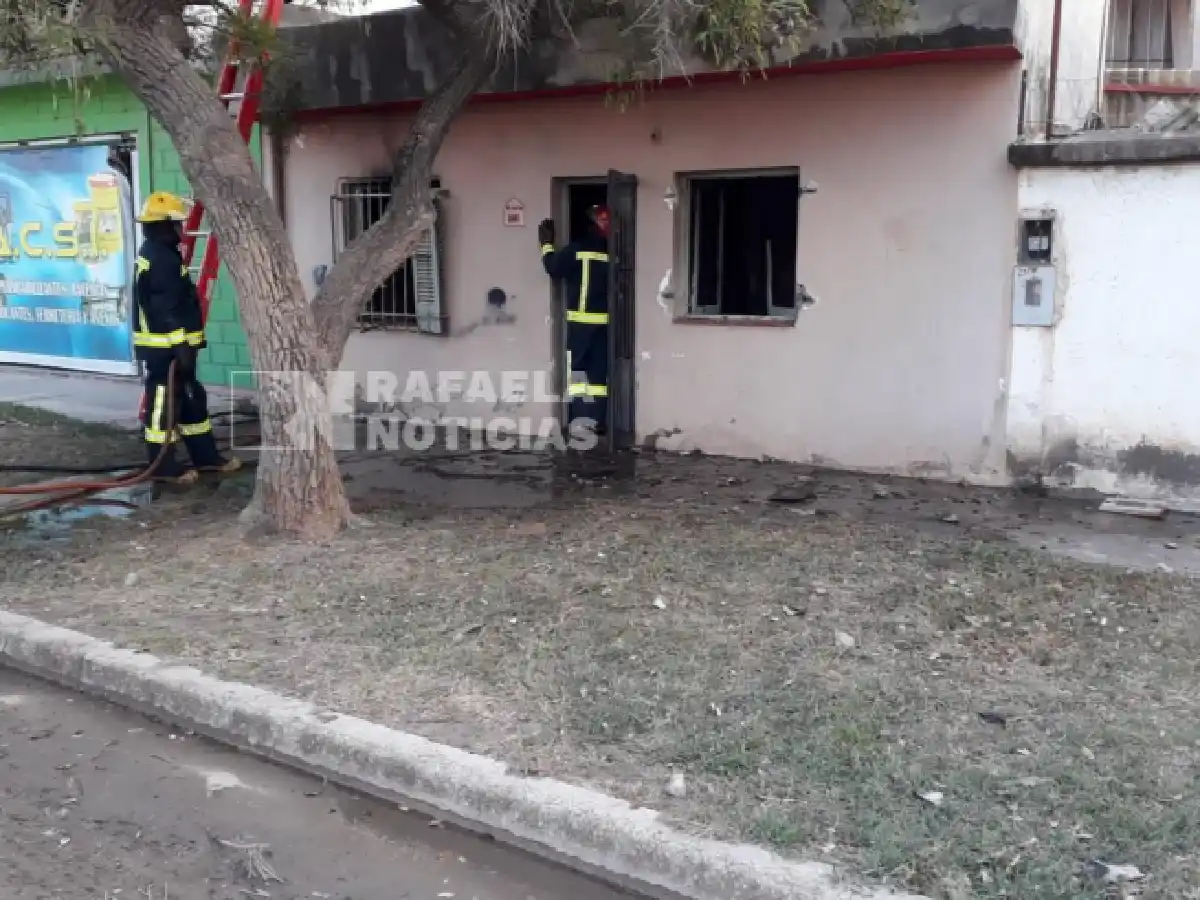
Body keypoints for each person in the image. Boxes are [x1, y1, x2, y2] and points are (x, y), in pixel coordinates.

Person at [133, 191, 241, 485]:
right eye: (178, 224)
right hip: (165, 350)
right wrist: (180, 344)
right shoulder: (160, 259)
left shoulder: (162, 253)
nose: (183, 229)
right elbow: (163, 308)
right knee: (163, 406)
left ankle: (205, 458)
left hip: (176, 348)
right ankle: (163, 467)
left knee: (192, 399)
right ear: (164, 225)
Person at [538, 205, 610, 436]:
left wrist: (546, 245)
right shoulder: (613, 251)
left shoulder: (577, 249)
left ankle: (579, 420)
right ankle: (597, 421)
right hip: (604, 324)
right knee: (598, 376)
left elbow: (554, 267)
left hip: (580, 324)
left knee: (579, 374)